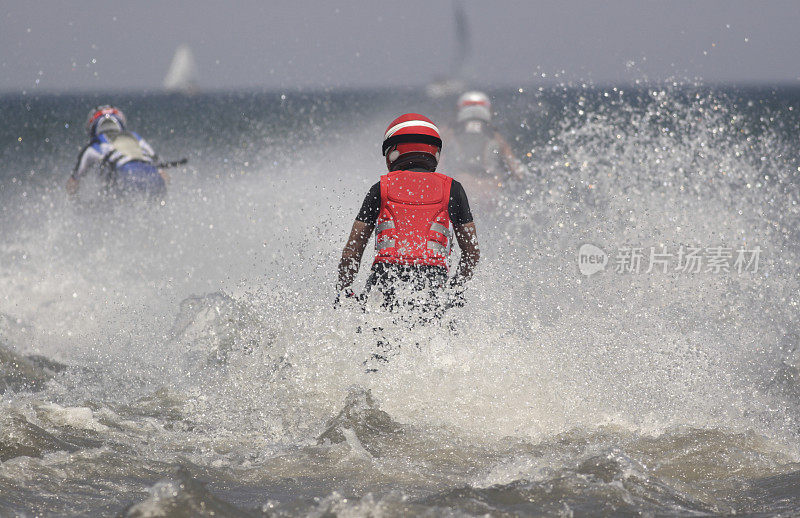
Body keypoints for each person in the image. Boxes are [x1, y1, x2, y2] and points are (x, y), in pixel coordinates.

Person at [336, 113, 480, 323]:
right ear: (435, 152)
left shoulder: (380, 188)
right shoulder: (454, 189)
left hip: (384, 280)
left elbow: (352, 251)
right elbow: (472, 253)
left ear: (393, 153)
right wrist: (455, 290)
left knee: (375, 344)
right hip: (433, 283)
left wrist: (342, 289)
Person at [67, 105, 167, 201]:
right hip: (153, 176)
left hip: (126, 176)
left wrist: (75, 202)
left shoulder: (96, 144)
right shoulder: (136, 137)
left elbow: (73, 183)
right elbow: (163, 173)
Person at [448, 91, 530, 184]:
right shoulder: (496, 137)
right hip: (489, 186)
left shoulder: (449, 135)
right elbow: (517, 171)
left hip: (460, 185)